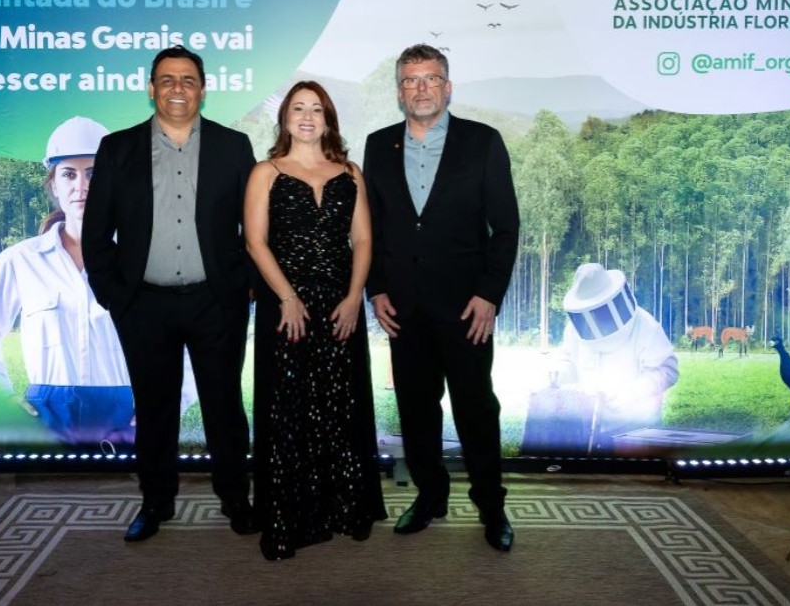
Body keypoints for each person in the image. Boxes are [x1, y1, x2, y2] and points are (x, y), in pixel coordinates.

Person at [82, 45, 257, 543]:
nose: (177, 88)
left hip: (216, 302)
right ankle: (155, 502)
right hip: (144, 305)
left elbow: (256, 227)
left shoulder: (234, 146)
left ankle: (236, 500)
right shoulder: (117, 149)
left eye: (187, 80)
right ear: (150, 88)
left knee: (223, 406)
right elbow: (97, 233)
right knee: (153, 408)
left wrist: (244, 284)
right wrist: (114, 295)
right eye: (166, 79)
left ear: (202, 89)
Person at [364, 44, 520, 552]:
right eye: (411, 80)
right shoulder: (377, 145)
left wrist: (489, 295)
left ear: (448, 87)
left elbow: (506, 227)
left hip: (466, 309)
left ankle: (491, 506)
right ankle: (430, 497)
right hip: (403, 309)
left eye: (431, 79)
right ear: (399, 92)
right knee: (416, 409)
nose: (422, 88)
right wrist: (376, 288)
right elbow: (372, 228)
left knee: (477, 410)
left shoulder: (483, 142)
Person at [245, 80, 387, 561]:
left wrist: (354, 299)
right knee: (289, 412)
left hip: (339, 307)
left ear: (328, 119)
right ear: (284, 118)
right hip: (287, 310)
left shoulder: (350, 172)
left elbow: (363, 241)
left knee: (341, 407)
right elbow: (255, 242)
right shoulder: (265, 172)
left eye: (317, 110)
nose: (307, 117)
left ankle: (346, 509)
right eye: (298, 109)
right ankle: (289, 518)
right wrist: (285, 297)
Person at [0, 116, 137, 446]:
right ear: (54, 185)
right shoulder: (20, 260)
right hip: (47, 416)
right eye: (69, 174)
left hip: (126, 416)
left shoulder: (143, 259)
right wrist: (4, 397)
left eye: (94, 174)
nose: (81, 186)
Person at [526, 263, 679, 455]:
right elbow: (568, 361)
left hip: (634, 432)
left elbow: (668, 371)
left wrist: (631, 392)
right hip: (586, 429)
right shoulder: (575, 328)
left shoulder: (646, 326)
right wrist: (559, 374)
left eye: (600, 313)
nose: (595, 321)